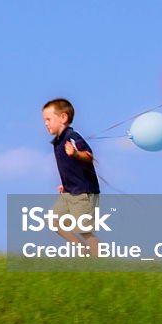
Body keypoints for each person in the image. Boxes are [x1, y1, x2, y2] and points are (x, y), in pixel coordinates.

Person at [43, 98, 101, 254]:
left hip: (83, 191)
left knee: (84, 229)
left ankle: (100, 260)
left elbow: (89, 155)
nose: (46, 123)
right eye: (44, 120)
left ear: (63, 118)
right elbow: (69, 168)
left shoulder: (72, 136)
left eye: (48, 119)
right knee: (52, 220)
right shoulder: (58, 141)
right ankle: (82, 250)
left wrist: (75, 153)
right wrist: (65, 183)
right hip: (70, 190)